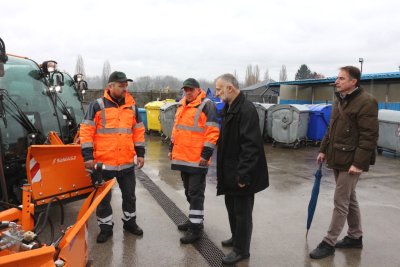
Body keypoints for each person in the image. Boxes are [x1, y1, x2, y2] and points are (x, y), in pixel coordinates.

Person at [310, 66, 379, 259]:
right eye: (337, 78)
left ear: (353, 81)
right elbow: (330, 129)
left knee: (340, 201)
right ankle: (355, 237)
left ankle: (329, 242)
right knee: (350, 198)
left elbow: (369, 137)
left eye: (341, 78)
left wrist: (358, 163)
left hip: (352, 161)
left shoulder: (367, 102)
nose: (337, 81)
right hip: (338, 156)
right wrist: (323, 150)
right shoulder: (339, 99)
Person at [80, 71, 146, 243]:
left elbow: (138, 131)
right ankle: (106, 227)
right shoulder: (97, 105)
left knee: (130, 196)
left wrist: (141, 154)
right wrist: (88, 157)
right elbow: (86, 132)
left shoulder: (132, 107)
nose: (124, 88)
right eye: (121, 85)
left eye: (126, 85)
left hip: (125, 163)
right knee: (103, 199)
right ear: (110, 86)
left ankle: (130, 223)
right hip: (104, 164)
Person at [214, 73, 269, 265]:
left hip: (241, 173)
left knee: (242, 213)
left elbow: (251, 146)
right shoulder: (230, 107)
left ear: (230, 88)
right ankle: (236, 237)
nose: (217, 93)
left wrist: (243, 174)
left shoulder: (246, 110)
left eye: (219, 89)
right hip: (230, 171)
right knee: (232, 207)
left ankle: (241, 250)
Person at [169, 78, 220, 244]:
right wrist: (172, 148)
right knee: (188, 192)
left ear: (198, 90)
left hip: (198, 160)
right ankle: (194, 220)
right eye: (186, 90)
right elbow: (176, 129)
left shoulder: (207, 105)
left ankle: (196, 229)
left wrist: (205, 155)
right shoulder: (182, 105)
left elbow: (212, 131)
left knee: (195, 194)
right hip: (183, 158)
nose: (188, 92)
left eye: (191, 89)